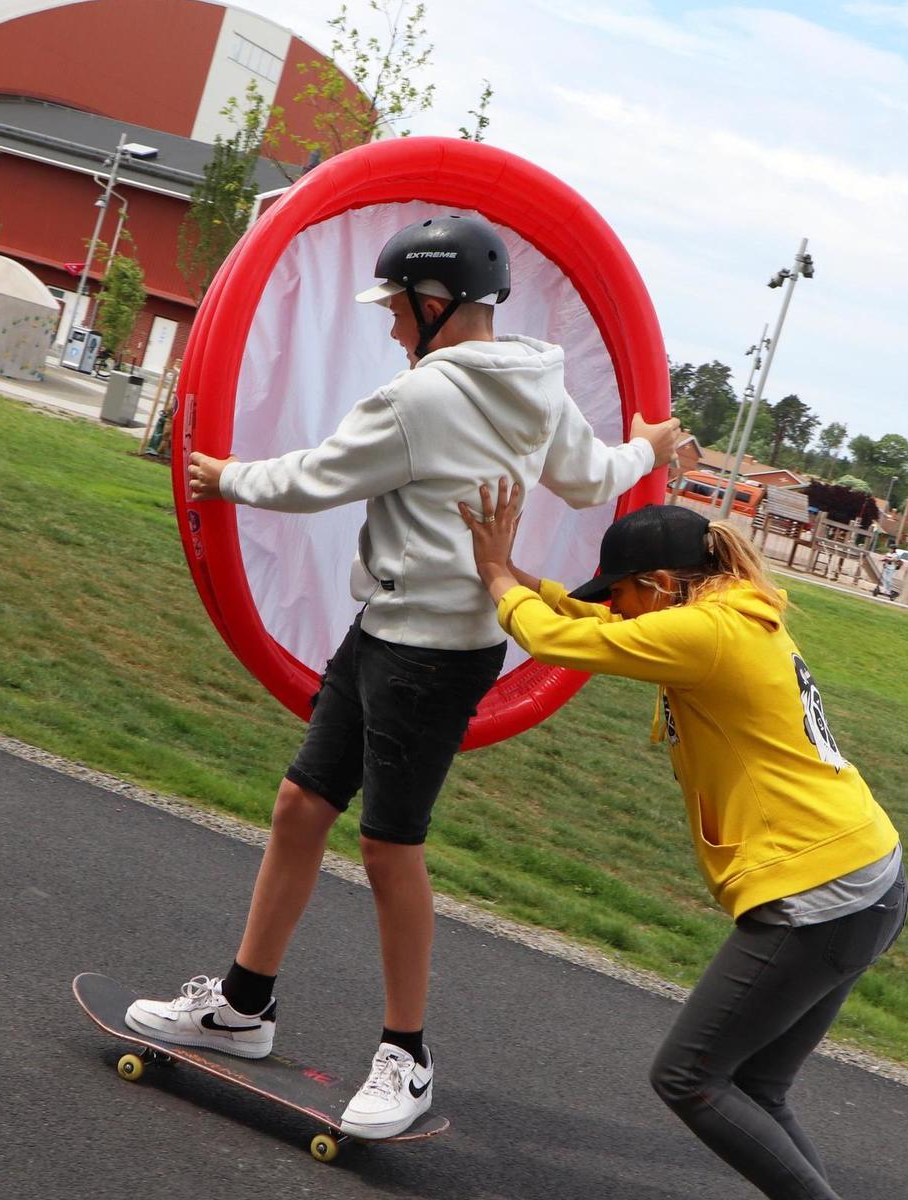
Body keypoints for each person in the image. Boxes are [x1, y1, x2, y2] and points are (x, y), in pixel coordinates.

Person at [128, 214, 681, 1139]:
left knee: (391, 847)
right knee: (302, 807)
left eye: (394, 308)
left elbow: (315, 477)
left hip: (426, 657)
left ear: (434, 306)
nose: (388, 326)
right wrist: (649, 452)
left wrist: (223, 478)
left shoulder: (415, 400)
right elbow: (591, 480)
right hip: (394, 634)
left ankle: (407, 1057)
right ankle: (243, 1006)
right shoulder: (537, 388)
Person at [462, 494, 906, 1199]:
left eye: (623, 593)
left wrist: (494, 578)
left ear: (663, 586)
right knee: (756, 1084)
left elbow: (560, 643)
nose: (617, 607)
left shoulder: (706, 633)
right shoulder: (729, 614)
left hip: (819, 891)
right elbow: (600, 625)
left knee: (690, 1078)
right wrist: (522, 579)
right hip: (863, 875)